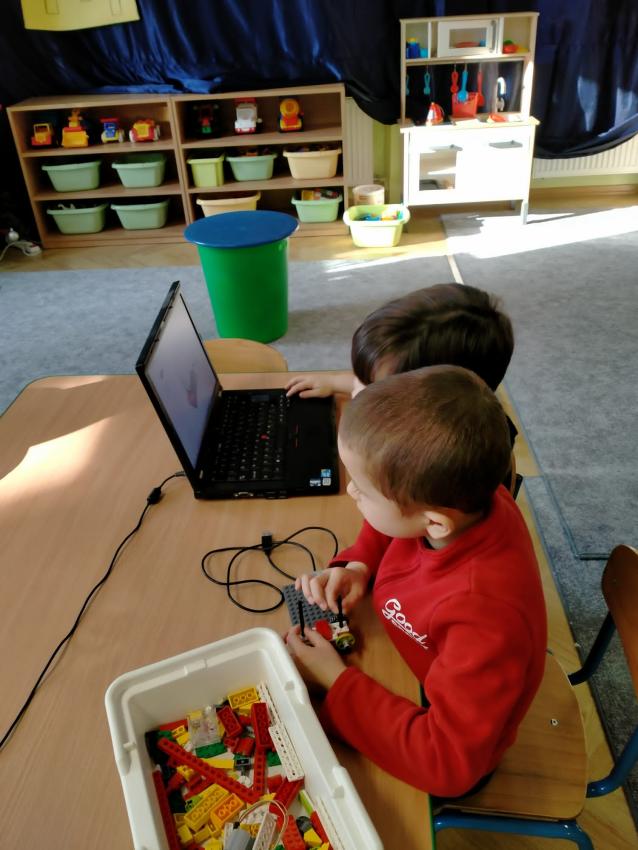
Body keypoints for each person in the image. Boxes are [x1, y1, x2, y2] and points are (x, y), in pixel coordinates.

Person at [285, 365, 547, 798]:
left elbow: (447, 765)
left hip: (454, 744)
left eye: (364, 489)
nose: (351, 492)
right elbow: (397, 521)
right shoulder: (464, 496)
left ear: (435, 523)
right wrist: (359, 564)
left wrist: (336, 681)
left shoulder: (483, 618)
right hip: (427, 670)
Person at [285, 282, 519, 489]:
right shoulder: (436, 408)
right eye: (363, 380)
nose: (358, 391)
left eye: (374, 389)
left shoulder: (441, 465)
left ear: (434, 403)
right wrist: (335, 381)